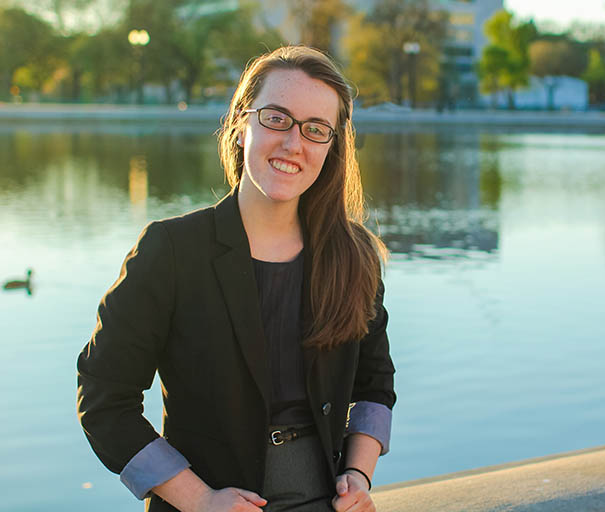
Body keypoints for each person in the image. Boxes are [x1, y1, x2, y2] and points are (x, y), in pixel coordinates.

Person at [76, 46, 395, 512]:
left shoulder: (354, 255)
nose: (294, 144)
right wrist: (199, 499)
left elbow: (375, 383)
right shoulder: (170, 250)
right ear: (241, 126)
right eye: (276, 118)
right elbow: (104, 399)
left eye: (315, 129)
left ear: (332, 148)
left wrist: (358, 474)